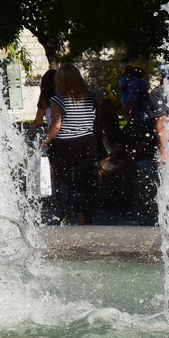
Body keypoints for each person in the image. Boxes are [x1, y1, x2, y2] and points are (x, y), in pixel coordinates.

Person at [42, 64, 99, 225]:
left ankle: (65, 217)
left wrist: (45, 141)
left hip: (64, 144)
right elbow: (93, 120)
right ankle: (85, 216)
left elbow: (56, 125)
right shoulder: (89, 97)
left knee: (62, 182)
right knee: (84, 181)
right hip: (87, 142)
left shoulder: (57, 99)